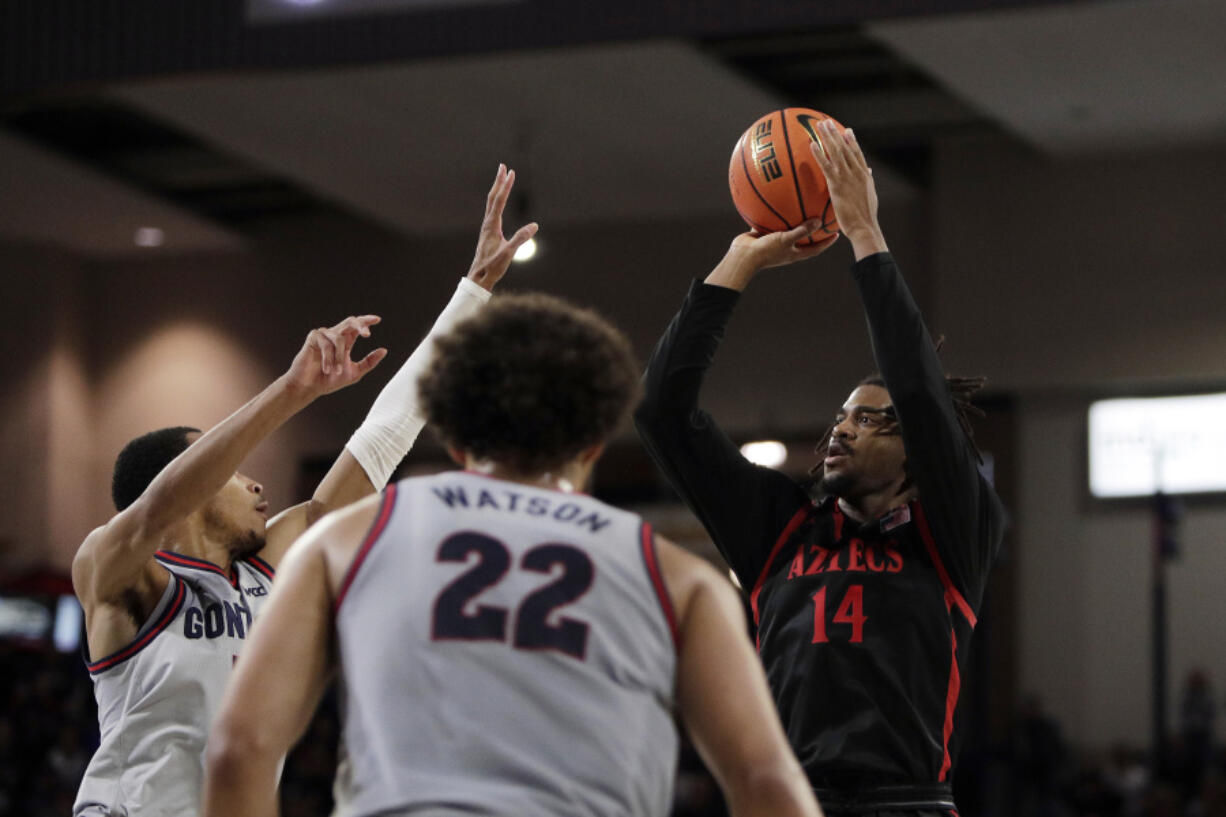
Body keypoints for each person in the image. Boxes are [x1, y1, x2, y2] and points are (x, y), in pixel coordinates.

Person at [202, 294, 822, 817]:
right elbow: (766, 781)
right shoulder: (675, 576)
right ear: (597, 437)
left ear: (453, 429)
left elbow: (239, 748)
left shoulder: (348, 539)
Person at [71, 165, 537, 817]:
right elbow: (157, 507)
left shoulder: (264, 569)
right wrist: (290, 393)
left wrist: (472, 294)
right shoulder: (118, 571)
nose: (257, 481)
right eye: (234, 473)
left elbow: (377, 445)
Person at [635, 118, 1005, 815]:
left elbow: (922, 392)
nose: (843, 428)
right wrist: (738, 264)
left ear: (917, 454)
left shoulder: (952, 533)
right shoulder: (780, 527)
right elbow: (661, 412)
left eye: (871, 418)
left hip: (907, 804)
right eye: (841, 416)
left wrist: (866, 234)